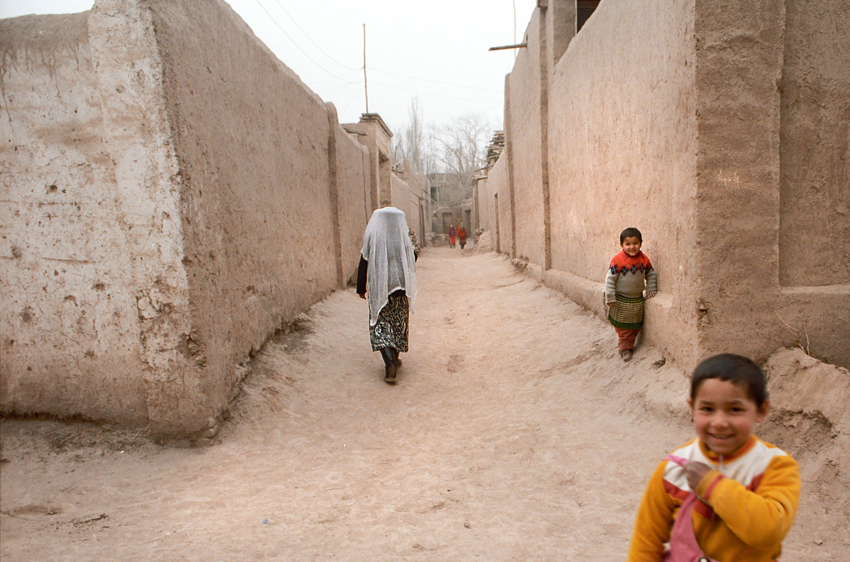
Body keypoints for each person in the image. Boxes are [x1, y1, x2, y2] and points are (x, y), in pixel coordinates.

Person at [628, 353, 800, 561]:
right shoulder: (673, 468)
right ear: (692, 408)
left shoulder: (775, 466)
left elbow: (768, 532)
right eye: (707, 409)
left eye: (734, 409)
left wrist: (712, 485)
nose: (719, 422)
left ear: (761, 411)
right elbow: (646, 541)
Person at [357, 206, 418, 384]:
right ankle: (394, 358)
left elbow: (364, 260)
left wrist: (361, 287)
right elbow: (413, 257)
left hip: (379, 289)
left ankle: (389, 362)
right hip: (400, 287)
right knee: (398, 323)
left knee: (381, 324)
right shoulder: (401, 236)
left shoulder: (373, 235)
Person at [604, 227, 657, 361]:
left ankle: (625, 343)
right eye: (628, 244)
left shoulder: (644, 259)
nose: (632, 247)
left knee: (634, 326)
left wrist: (651, 290)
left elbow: (651, 274)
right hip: (621, 301)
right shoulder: (617, 260)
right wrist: (610, 297)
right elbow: (610, 280)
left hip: (637, 300)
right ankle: (626, 348)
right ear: (621, 245)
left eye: (635, 243)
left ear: (641, 243)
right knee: (623, 327)